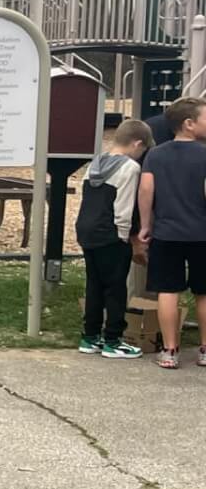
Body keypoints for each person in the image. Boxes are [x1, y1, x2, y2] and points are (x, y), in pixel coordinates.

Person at [136, 97, 206, 368]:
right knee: (203, 292)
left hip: (166, 232)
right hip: (202, 233)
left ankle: (170, 350)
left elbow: (145, 191)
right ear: (189, 124)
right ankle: (203, 348)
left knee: (168, 290)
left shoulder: (156, 154)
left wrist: (145, 225)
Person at [77, 119, 151, 358]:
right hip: (111, 233)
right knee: (116, 287)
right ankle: (113, 340)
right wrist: (124, 237)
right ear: (137, 143)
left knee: (94, 284)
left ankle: (90, 337)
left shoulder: (95, 163)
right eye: (143, 150)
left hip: (87, 230)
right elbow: (124, 205)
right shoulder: (130, 168)